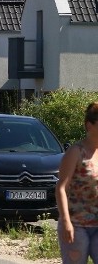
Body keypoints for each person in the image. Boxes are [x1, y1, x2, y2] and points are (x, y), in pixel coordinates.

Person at [55, 102, 98, 263]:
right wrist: (66, 221)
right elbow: (61, 188)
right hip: (76, 225)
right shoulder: (76, 152)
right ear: (89, 125)